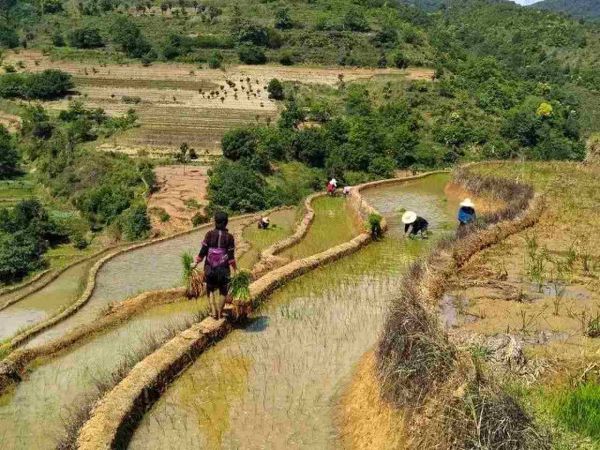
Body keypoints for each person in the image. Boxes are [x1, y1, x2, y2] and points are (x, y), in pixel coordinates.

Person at [195, 211, 236, 319]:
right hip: (223, 269)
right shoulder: (230, 237)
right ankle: (220, 313)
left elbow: (203, 251)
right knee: (223, 290)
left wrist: (196, 262)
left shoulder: (209, 234)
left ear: (215, 222)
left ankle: (213, 312)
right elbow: (231, 258)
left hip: (209, 268)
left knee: (210, 288)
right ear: (226, 222)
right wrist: (236, 269)